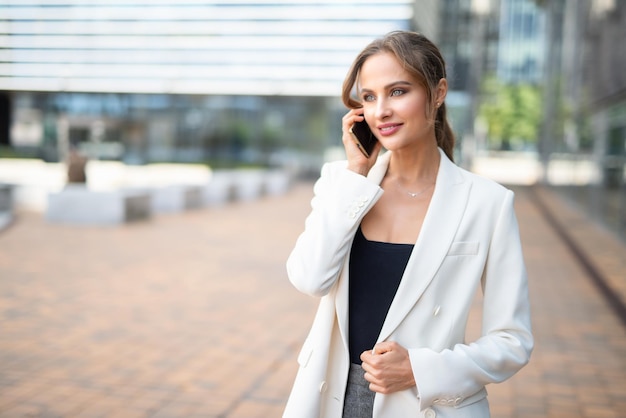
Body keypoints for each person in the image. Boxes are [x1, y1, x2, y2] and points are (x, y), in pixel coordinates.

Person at [283, 31, 533, 418]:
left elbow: (512, 341)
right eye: (369, 97)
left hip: (425, 403)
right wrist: (357, 173)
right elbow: (310, 278)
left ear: (438, 92)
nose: (380, 110)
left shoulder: (488, 203)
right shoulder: (342, 182)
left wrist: (419, 369)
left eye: (398, 92)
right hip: (330, 396)